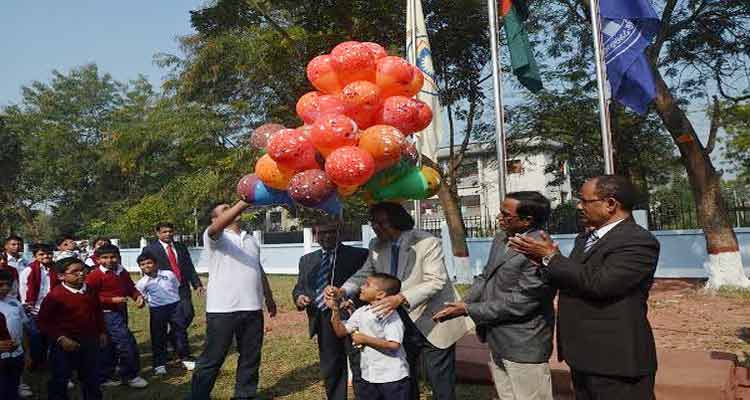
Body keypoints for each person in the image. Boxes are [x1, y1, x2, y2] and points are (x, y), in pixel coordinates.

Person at [508, 175, 660, 399]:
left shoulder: (637, 240)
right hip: (584, 354)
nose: (579, 206)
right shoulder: (586, 238)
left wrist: (552, 258)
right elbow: (575, 280)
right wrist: (543, 263)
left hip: (615, 360)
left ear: (610, 204)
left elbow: (601, 284)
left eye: (584, 200)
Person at [328, 202, 472, 400]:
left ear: (398, 221)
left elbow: (436, 280)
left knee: (440, 379)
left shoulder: (426, 241)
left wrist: (401, 298)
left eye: (381, 222)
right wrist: (343, 290)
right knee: (406, 374)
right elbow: (365, 274)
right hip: (398, 319)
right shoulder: (376, 245)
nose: (375, 227)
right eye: (373, 222)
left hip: (434, 317)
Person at [433, 191, 556, 400]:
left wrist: (467, 309)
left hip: (524, 341)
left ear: (527, 220)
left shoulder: (540, 249)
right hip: (497, 336)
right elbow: (485, 277)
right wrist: (463, 302)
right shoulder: (502, 238)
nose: (499, 218)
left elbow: (522, 302)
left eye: (506, 215)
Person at [187, 200, 277, 400]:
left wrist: (268, 296)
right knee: (213, 358)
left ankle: (244, 395)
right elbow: (215, 229)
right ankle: (198, 395)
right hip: (223, 309)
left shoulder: (251, 239)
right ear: (215, 219)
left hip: (252, 307)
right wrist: (244, 202)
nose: (232, 211)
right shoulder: (215, 237)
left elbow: (257, 268)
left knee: (250, 357)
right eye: (225, 210)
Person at [292, 221, 368, 399]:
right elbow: (299, 287)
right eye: (322, 233)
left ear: (339, 233)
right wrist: (299, 297)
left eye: (331, 232)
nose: (327, 236)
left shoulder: (359, 255)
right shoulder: (307, 260)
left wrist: (349, 300)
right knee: (331, 366)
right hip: (323, 319)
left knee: (359, 364)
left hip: (352, 317)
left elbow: (366, 283)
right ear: (315, 235)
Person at [328, 273, 410, 400]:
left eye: (367, 285)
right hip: (369, 375)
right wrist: (335, 310)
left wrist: (365, 339)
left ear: (381, 294)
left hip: (392, 378)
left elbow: (394, 345)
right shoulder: (361, 312)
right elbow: (341, 331)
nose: (361, 287)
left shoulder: (390, 315)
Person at [37, 257, 107, 400]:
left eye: (83, 270)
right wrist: (60, 338)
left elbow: (97, 312)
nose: (81, 274)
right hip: (65, 343)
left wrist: (102, 331)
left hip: (90, 340)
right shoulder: (55, 296)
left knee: (91, 377)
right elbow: (43, 322)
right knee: (60, 377)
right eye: (75, 272)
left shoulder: (90, 290)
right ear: (61, 276)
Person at [84, 244, 148, 388]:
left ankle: (105, 375)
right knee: (126, 343)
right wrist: (111, 300)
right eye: (104, 258)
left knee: (110, 344)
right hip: (106, 314)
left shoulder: (121, 271)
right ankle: (130, 375)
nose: (109, 260)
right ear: (98, 259)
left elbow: (130, 287)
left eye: (113, 257)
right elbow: (89, 297)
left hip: (120, 311)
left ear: (119, 257)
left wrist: (137, 297)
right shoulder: (95, 275)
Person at [141, 222, 204, 345]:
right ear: (158, 233)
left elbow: (189, 266)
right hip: (163, 289)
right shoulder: (150, 249)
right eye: (164, 232)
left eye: (170, 231)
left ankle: (170, 338)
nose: (168, 234)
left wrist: (197, 284)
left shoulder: (181, 247)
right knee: (169, 318)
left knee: (188, 314)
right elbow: (146, 268)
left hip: (182, 287)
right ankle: (176, 344)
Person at [134, 253, 194, 374]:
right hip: (157, 310)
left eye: (149, 263)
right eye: (143, 264)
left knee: (180, 332)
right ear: (140, 267)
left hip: (175, 306)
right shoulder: (142, 283)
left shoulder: (168, 274)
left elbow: (175, 286)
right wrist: (141, 302)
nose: (146, 266)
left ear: (156, 264)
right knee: (158, 336)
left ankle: (185, 358)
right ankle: (159, 363)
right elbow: (142, 297)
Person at [20, 243, 58, 369]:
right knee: (36, 337)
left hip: (52, 309)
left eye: (48, 254)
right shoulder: (29, 270)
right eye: (41, 254)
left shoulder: (56, 269)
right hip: (34, 309)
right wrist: (26, 305)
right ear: (35, 256)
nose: (46, 256)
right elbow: (23, 288)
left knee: (50, 337)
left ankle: (48, 361)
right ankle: (37, 362)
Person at [0, 269, 29, 400]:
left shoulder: (15, 303)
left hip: (16, 355)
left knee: (12, 387)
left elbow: (22, 328)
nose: (5, 288)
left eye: (8, 284)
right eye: (0, 284)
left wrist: (26, 353)